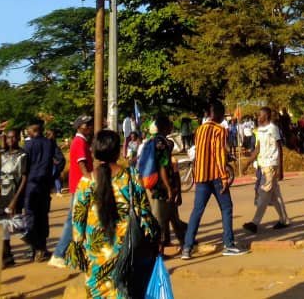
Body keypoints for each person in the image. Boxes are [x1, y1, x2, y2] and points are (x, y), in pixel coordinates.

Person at [66, 130, 160, 298]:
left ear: (94, 152)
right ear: (118, 152)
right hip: (127, 250)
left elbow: (78, 222)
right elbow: (145, 213)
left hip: (95, 255)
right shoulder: (131, 176)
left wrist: (79, 248)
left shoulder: (86, 182)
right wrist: (153, 239)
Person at [180, 101, 246, 259]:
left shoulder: (199, 130)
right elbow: (219, 154)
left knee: (197, 211)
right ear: (219, 114)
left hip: (201, 176)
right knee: (226, 208)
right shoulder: (219, 130)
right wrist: (224, 177)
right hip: (216, 176)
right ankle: (229, 245)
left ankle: (187, 248)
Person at [51, 115, 95, 268]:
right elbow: (83, 166)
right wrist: (92, 181)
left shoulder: (80, 141)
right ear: (80, 127)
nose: (90, 127)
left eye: (90, 124)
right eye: (87, 125)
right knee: (73, 220)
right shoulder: (79, 142)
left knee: (82, 219)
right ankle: (59, 254)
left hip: (80, 186)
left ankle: (77, 253)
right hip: (80, 187)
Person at [242, 107, 290, 234]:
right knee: (274, 196)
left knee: (263, 193)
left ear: (266, 116)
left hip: (271, 165)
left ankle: (254, 223)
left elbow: (279, 148)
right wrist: (248, 163)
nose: (258, 117)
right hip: (263, 166)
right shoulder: (260, 130)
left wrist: (281, 169)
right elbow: (258, 149)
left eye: (260, 115)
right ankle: (284, 220)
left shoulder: (273, 128)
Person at [143, 115, 186, 249]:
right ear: (166, 127)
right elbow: (163, 167)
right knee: (161, 218)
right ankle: (161, 249)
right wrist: (169, 188)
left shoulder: (151, 142)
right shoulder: (165, 143)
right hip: (163, 186)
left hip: (154, 184)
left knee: (171, 214)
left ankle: (182, 241)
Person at [23, 123, 57, 261]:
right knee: (43, 216)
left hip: (31, 184)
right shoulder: (50, 143)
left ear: (34, 131)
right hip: (45, 184)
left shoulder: (28, 145)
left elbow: (24, 166)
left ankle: (33, 247)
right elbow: (60, 160)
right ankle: (42, 248)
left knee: (31, 215)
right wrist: (53, 177)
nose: (27, 133)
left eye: (29, 131)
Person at [0, 129, 28, 268]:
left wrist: (15, 200)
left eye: (14, 137)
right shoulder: (3, 154)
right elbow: (1, 174)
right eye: (9, 138)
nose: (11, 140)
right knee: (2, 226)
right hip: (3, 195)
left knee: (18, 226)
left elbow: (24, 178)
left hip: (15, 195)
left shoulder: (23, 155)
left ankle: (38, 247)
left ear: (18, 139)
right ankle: (7, 257)